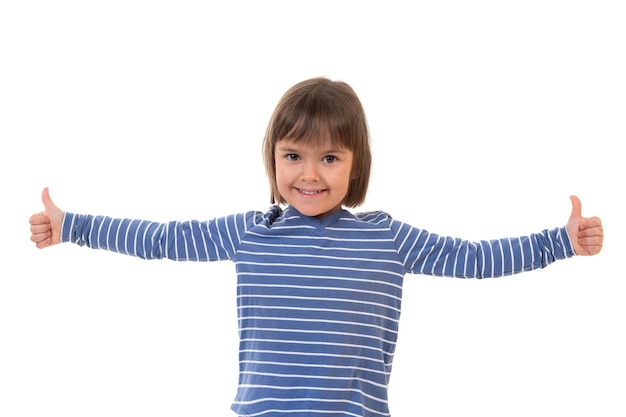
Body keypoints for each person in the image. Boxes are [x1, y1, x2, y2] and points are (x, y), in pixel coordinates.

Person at [29, 77, 604, 417]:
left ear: (356, 166)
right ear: (274, 159)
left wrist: (561, 241)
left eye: (330, 157)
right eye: (294, 155)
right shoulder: (252, 230)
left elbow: (474, 259)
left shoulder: (385, 237)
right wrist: (73, 225)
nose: (310, 174)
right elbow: (163, 240)